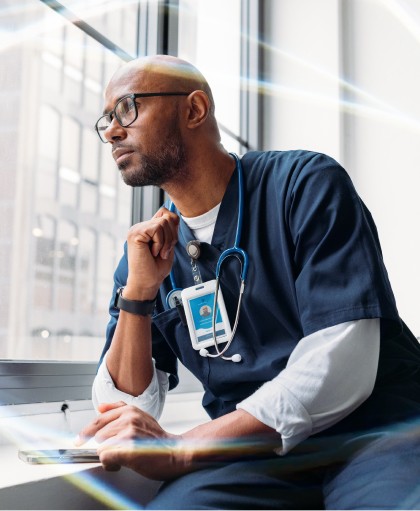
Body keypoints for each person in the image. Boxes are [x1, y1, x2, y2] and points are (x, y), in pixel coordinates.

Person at [77, 54, 420, 509]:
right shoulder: (149, 252)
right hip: (251, 455)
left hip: (375, 434)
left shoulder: (305, 185)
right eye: (107, 120)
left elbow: (344, 364)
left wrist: (183, 450)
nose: (114, 132)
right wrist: (137, 296)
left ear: (194, 109)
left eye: (127, 109)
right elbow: (126, 410)